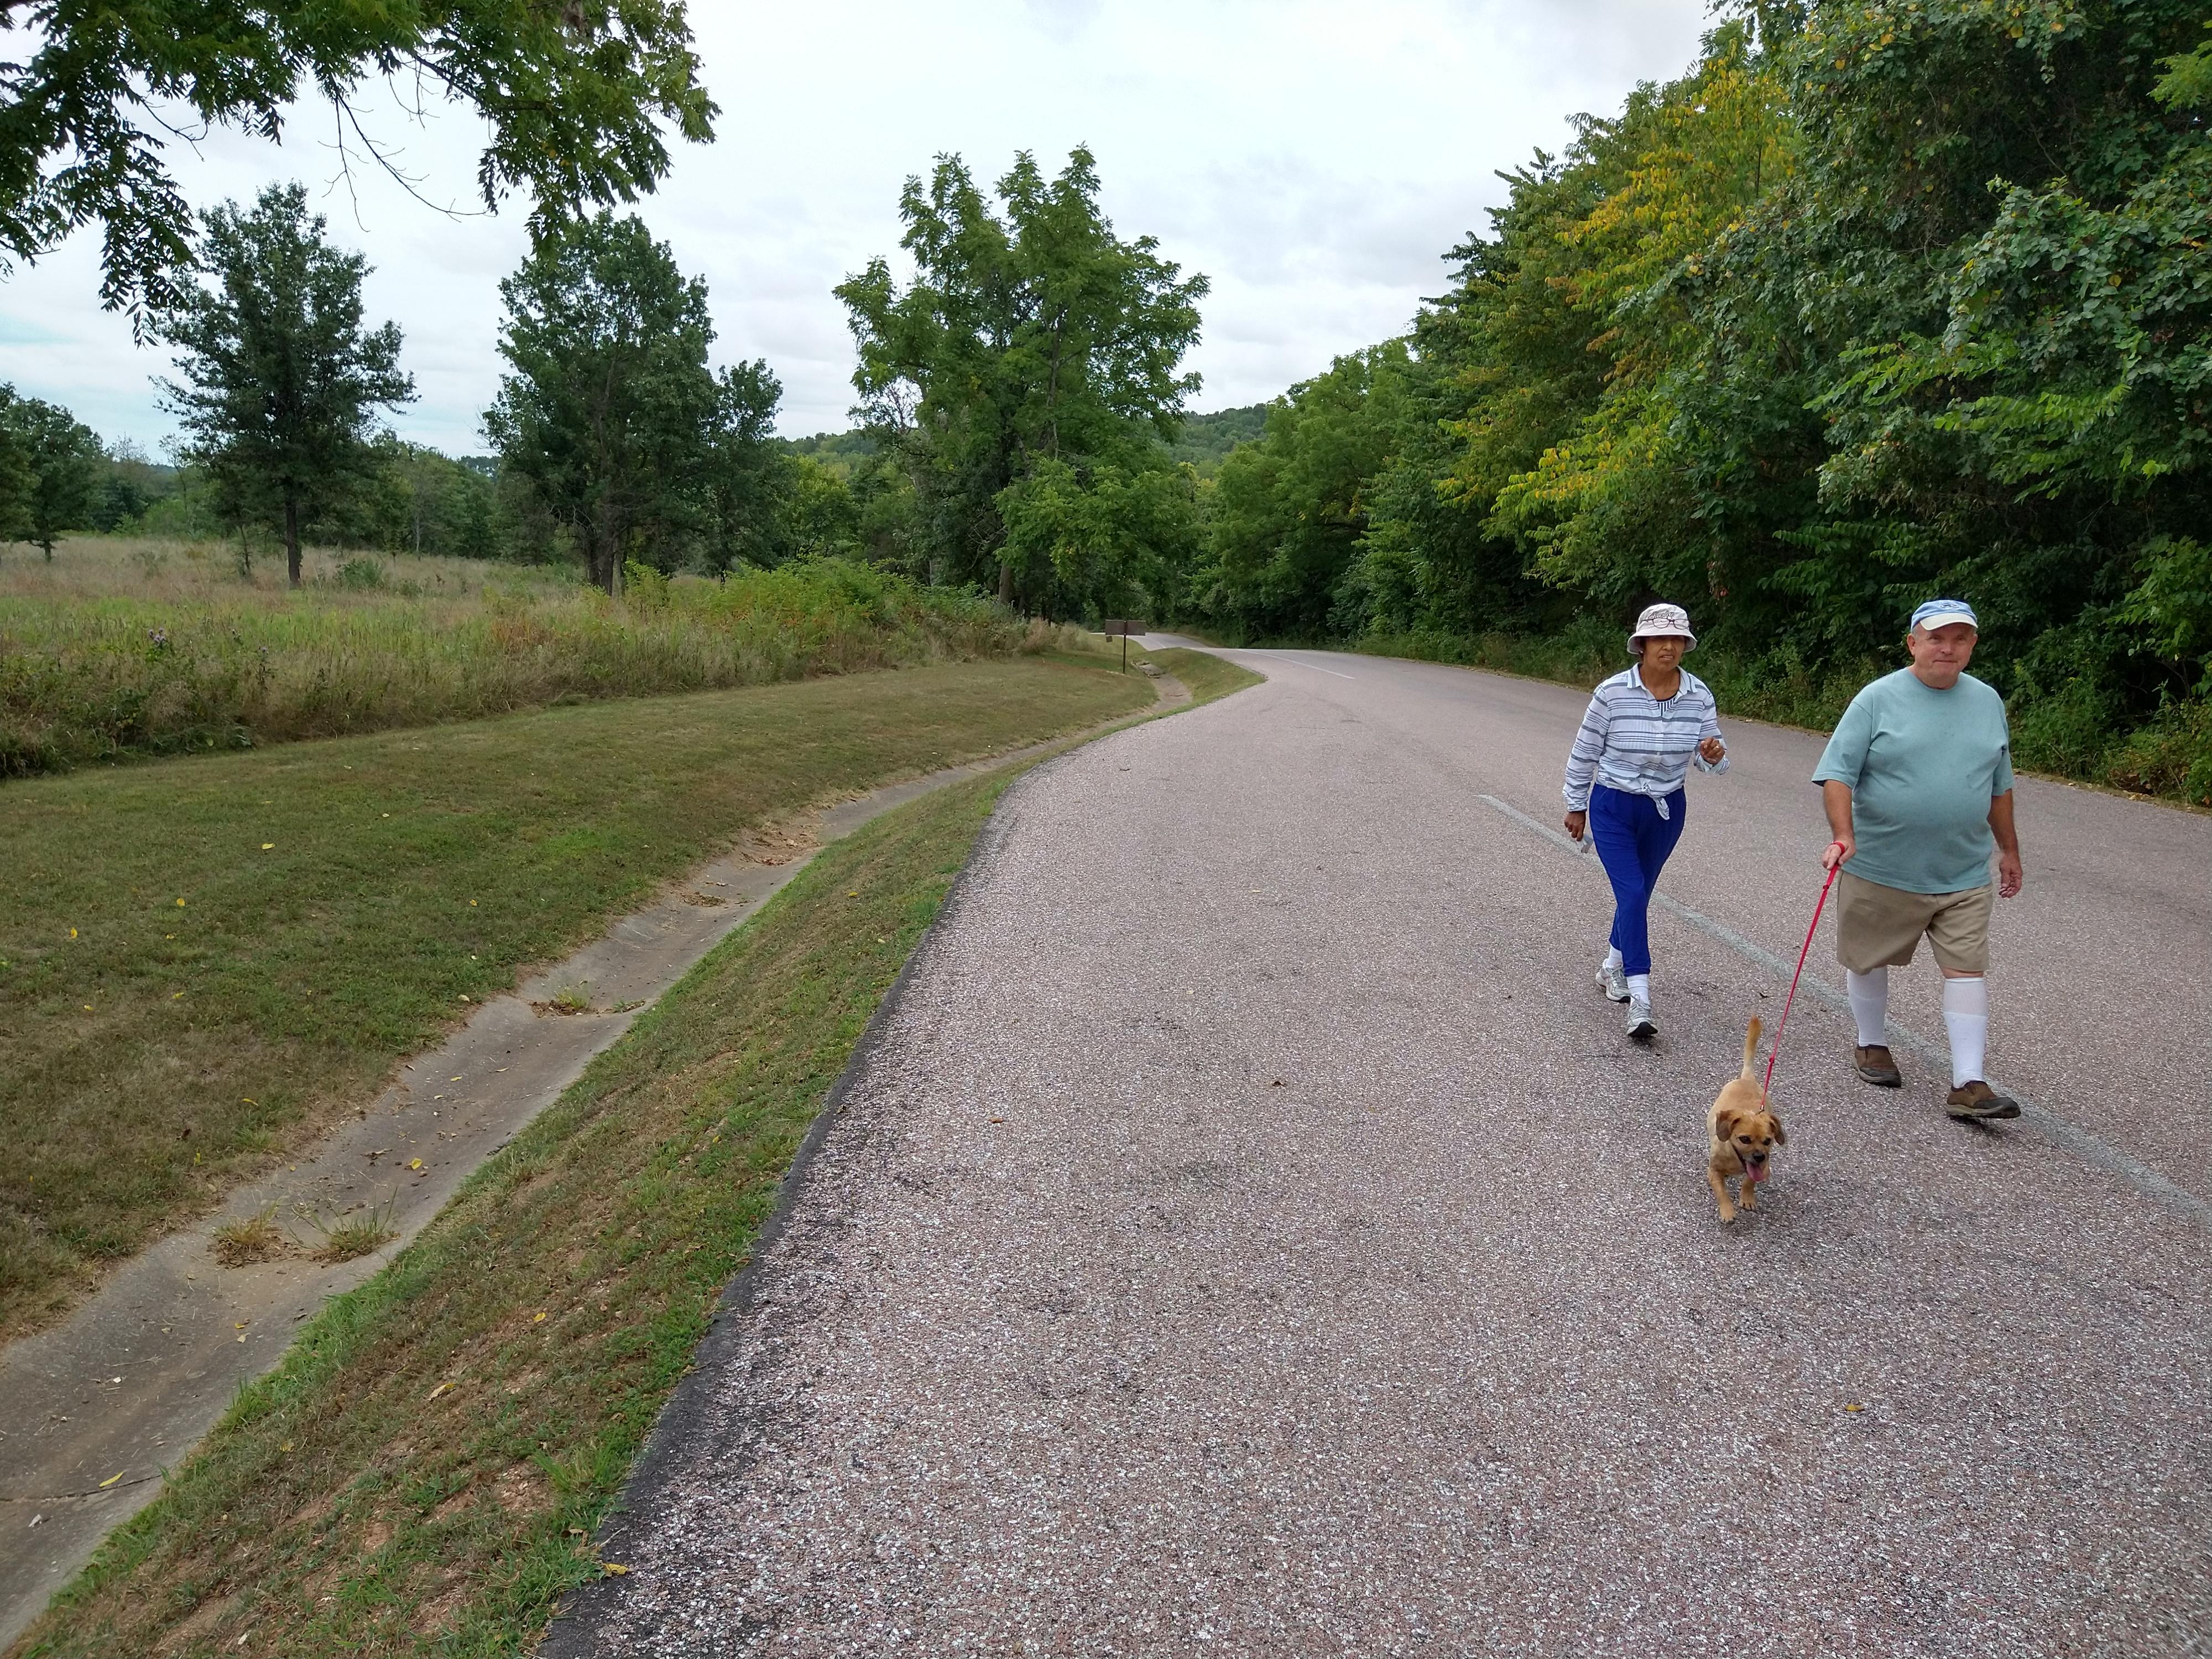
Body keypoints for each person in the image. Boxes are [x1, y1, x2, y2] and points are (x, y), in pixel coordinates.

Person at [1813, 598, 2024, 1120]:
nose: (1947, 648)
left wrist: (2010, 850)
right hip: (1883, 865)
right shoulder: (1877, 700)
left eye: (1959, 639)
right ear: (1913, 643)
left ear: (1972, 646)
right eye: (1936, 638)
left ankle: (1968, 1082)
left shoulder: (1987, 702)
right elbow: (1838, 773)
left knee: (1967, 970)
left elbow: (1999, 785)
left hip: (1963, 871)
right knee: (1868, 956)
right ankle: (1871, 1042)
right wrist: (1844, 834)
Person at [1562, 603, 1729, 1041]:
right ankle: (1641, 997)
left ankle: (1610, 967)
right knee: (1633, 892)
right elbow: (1585, 753)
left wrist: (1712, 755)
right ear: (1643, 645)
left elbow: (1712, 756)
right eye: (1660, 639)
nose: (1669, 647)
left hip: (1666, 811)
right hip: (1614, 806)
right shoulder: (1612, 693)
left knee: (1638, 895)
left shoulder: (1699, 696)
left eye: (1677, 639)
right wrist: (1576, 805)